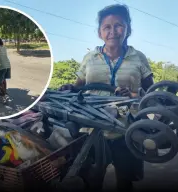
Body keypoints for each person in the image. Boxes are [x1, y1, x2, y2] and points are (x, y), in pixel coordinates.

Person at [59, 4, 154, 192]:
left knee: (125, 182)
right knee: (91, 181)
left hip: (127, 129)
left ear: (128, 29)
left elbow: (151, 92)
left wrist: (134, 95)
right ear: (99, 32)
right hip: (92, 128)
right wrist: (70, 88)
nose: (113, 31)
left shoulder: (138, 57)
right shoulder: (90, 57)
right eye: (107, 27)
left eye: (119, 25)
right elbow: (79, 86)